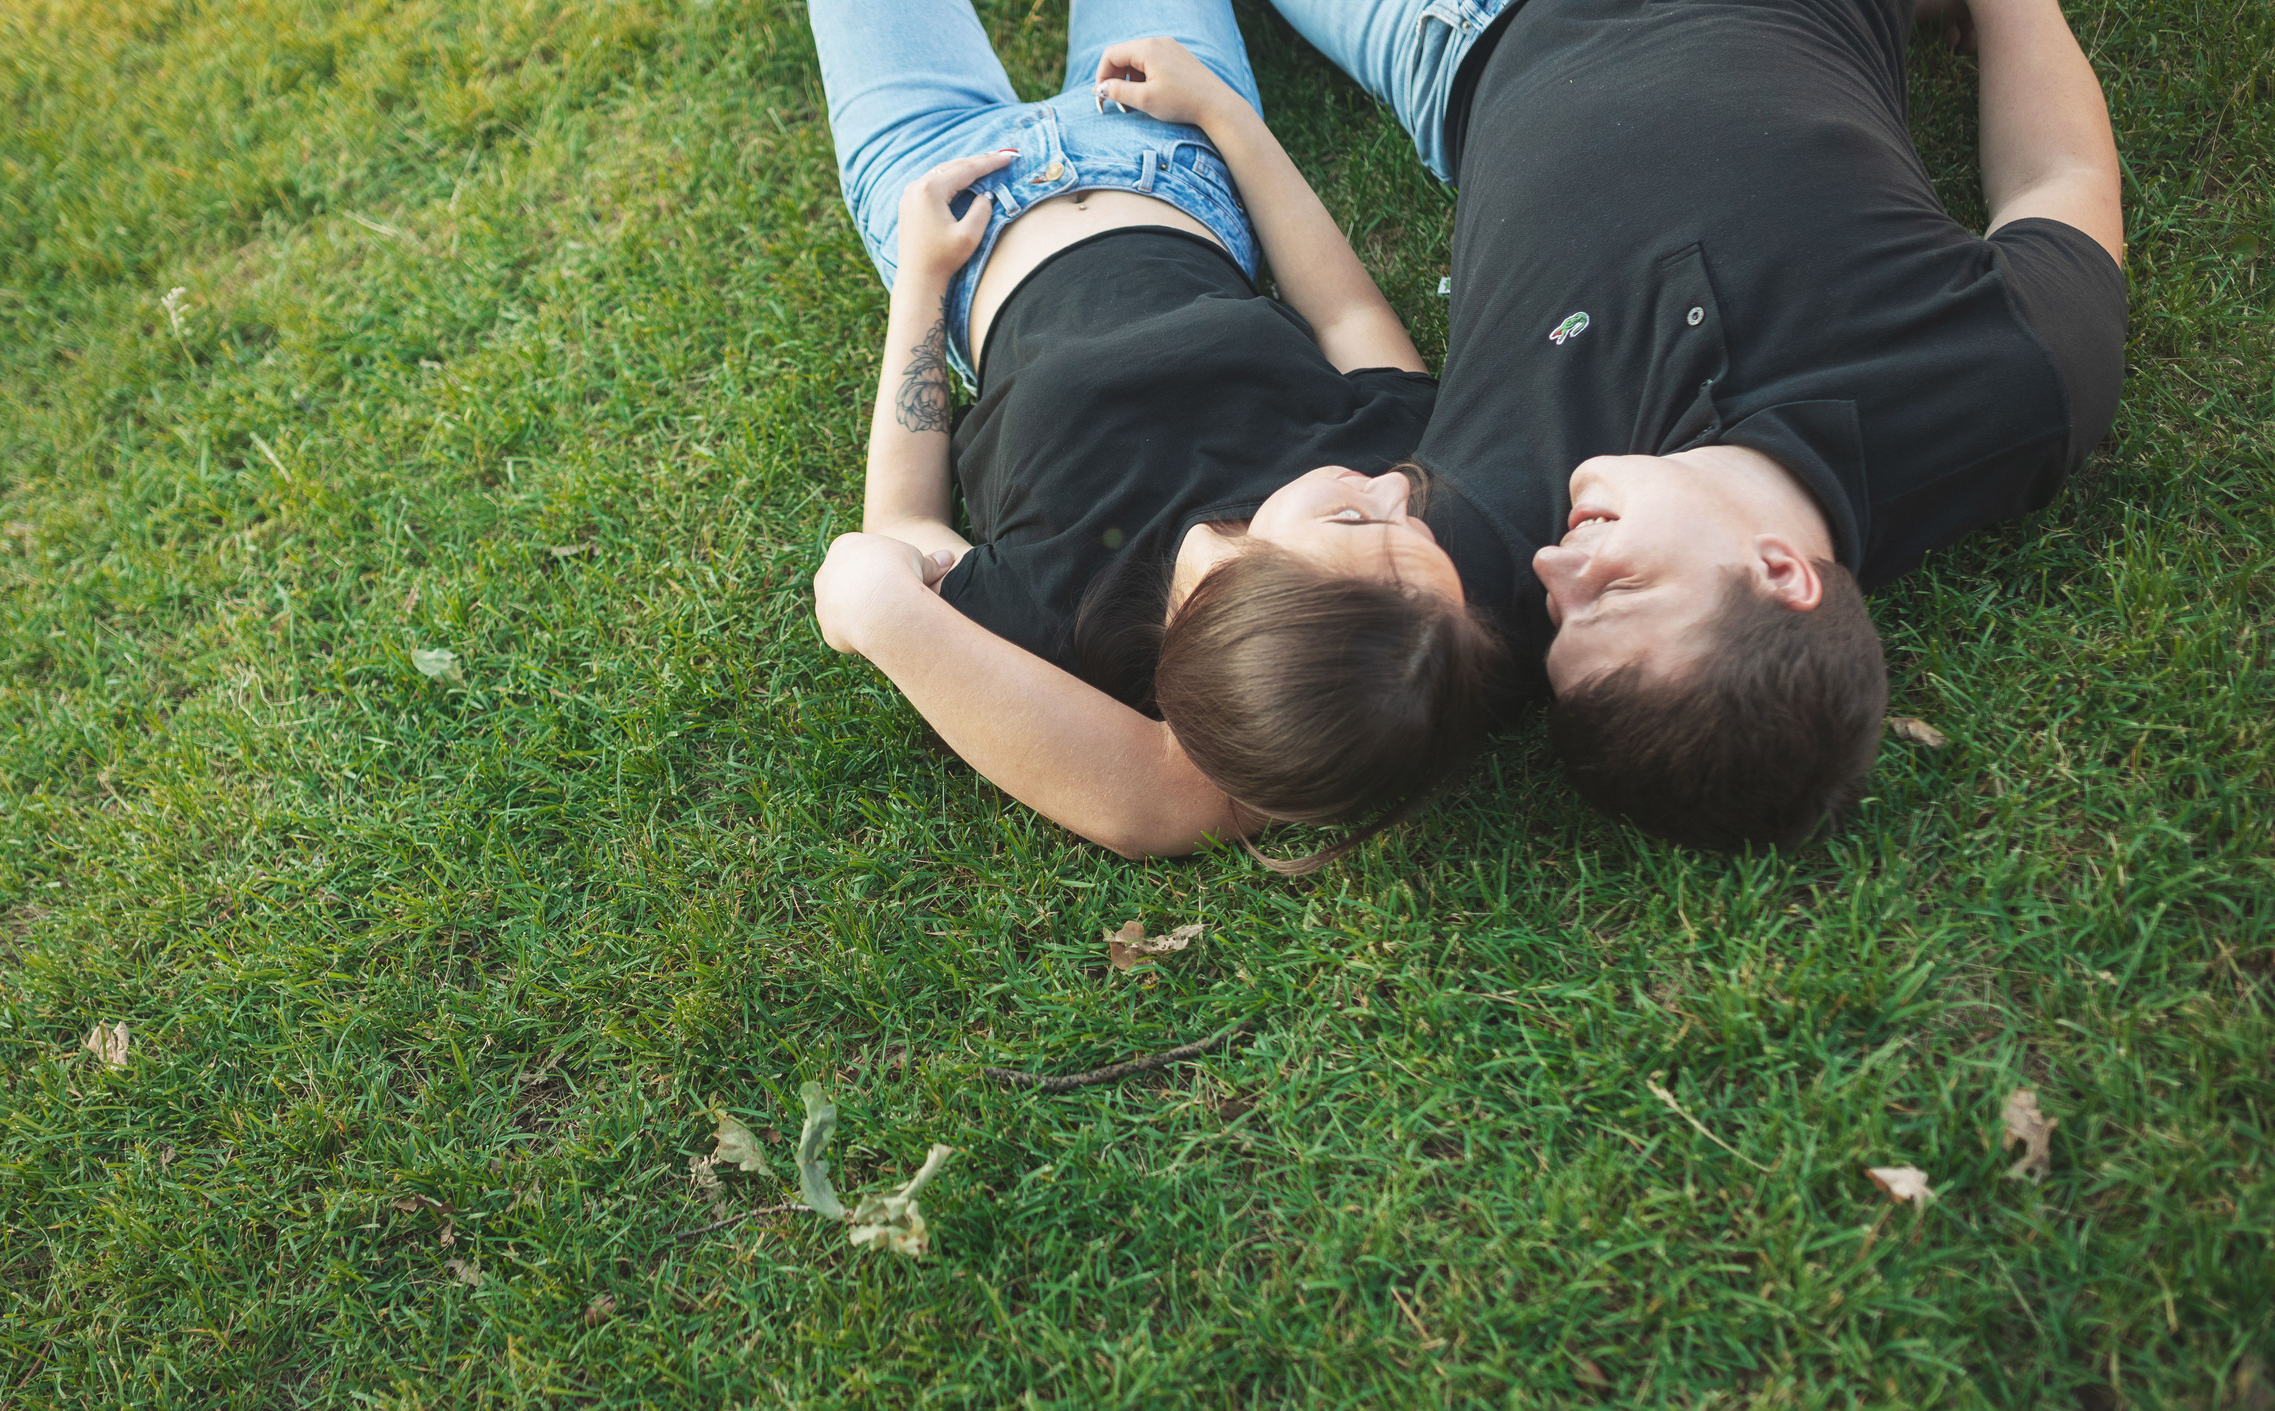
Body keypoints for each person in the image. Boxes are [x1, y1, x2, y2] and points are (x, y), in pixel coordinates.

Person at [1269, 0, 2127, 850]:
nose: (1554, 567)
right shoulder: (2007, 384)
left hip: (1460, 34)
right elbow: (2060, 177)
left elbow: (1256, 679)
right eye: (1617, 588)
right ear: (1782, 573)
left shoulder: (1476, 578)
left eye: (1564, 621)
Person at [804, 0, 1510, 863]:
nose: (1401, 488)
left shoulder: (1053, 609)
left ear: (1242, 593)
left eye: (1363, 521)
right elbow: (1348, 309)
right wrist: (1222, 112)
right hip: (1166, 146)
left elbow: (904, 529)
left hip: (948, 199)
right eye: (1419, 528)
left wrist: (919, 277)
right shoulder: (1373, 462)